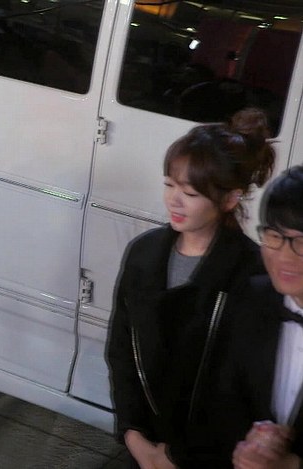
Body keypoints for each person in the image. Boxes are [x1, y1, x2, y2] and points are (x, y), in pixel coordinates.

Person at [106, 108, 276, 468]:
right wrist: (133, 436)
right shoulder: (144, 253)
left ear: (230, 199)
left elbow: (242, 392)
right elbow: (121, 350)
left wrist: (175, 457)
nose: (174, 200)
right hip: (143, 445)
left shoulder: (254, 275)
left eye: (190, 192)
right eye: (169, 185)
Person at [206, 165, 303, 469]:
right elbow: (224, 396)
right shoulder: (251, 298)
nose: (284, 256)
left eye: (302, 241)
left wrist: (292, 464)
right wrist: (247, 446)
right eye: (274, 235)